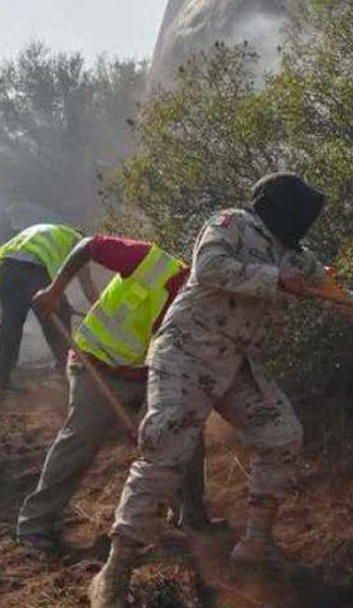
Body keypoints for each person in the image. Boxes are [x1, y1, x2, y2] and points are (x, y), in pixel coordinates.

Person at [88, 173, 353, 608]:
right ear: (275, 206)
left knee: (282, 435)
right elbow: (208, 268)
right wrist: (276, 280)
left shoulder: (298, 257)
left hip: (235, 363)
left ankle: (256, 544)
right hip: (187, 350)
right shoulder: (230, 224)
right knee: (166, 450)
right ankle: (116, 571)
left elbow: (337, 297)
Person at [15, 235, 209, 554]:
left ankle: (192, 516)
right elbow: (89, 246)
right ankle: (35, 524)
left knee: (186, 431)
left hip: (146, 374)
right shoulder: (151, 262)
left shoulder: (204, 310)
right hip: (95, 362)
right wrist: (55, 291)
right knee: (81, 438)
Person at [0, 223, 97, 388]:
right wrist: (100, 308)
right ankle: (66, 375)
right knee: (56, 318)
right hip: (33, 268)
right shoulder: (78, 241)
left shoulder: (46, 230)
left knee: (11, 324)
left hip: (7, 267)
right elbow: (86, 283)